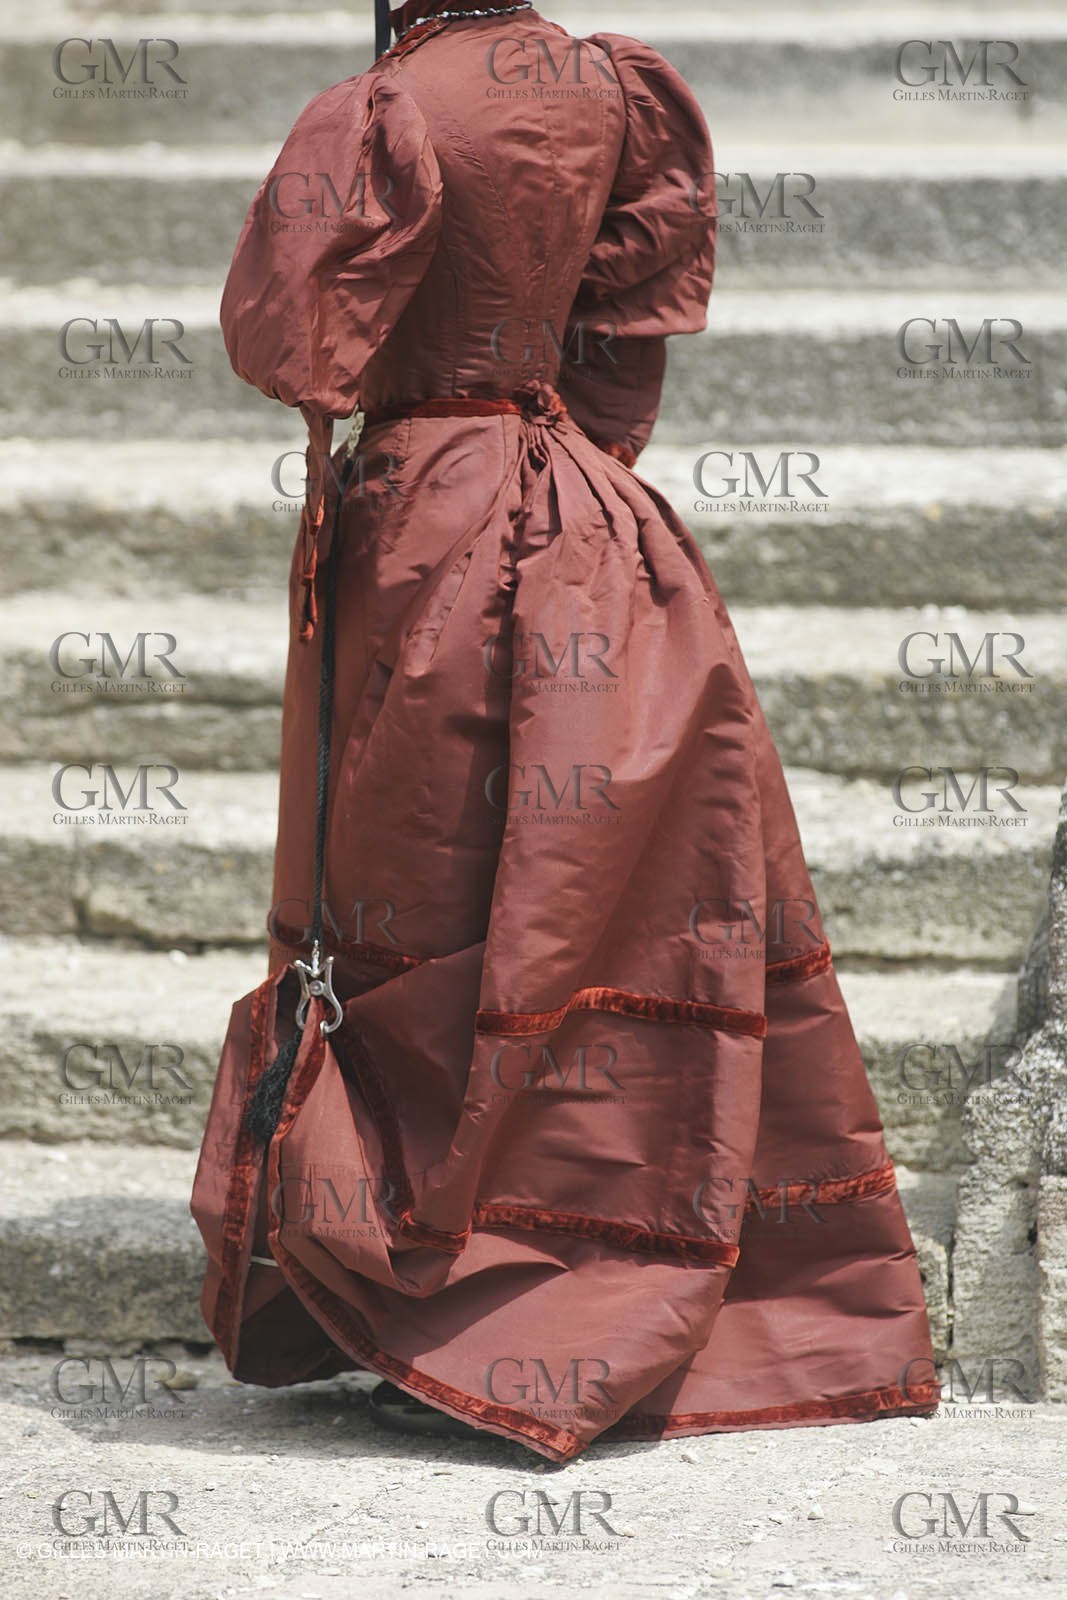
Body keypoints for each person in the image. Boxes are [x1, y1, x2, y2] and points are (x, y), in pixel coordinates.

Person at [192, 0, 938, 1460]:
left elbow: (285, 341)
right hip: (595, 519)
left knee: (432, 875)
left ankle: (461, 1301)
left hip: (426, 530)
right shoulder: (611, 89)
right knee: (581, 901)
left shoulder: (390, 107)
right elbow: (618, 333)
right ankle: (633, 1289)